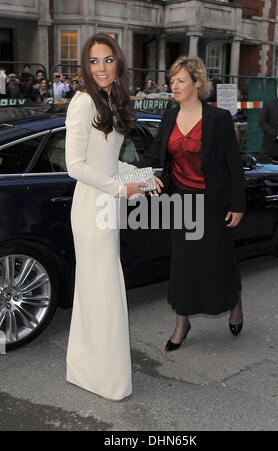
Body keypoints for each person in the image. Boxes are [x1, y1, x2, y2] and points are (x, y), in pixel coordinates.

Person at [65, 33, 160, 400]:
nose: (101, 68)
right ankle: (101, 378)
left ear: (118, 62)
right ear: (85, 67)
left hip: (105, 204)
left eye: (107, 60)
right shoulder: (83, 102)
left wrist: (140, 176)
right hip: (91, 206)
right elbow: (75, 166)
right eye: (94, 61)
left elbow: (107, 161)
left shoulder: (109, 99)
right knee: (102, 293)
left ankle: (89, 371)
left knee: (98, 293)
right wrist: (123, 188)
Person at [137, 56, 246, 351]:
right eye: (172, 81)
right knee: (183, 266)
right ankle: (181, 323)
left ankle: (235, 303)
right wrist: (130, 172)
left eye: (180, 80)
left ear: (197, 83)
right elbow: (155, 154)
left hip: (213, 203)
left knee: (217, 262)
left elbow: (235, 166)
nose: (174, 85)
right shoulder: (169, 116)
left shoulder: (219, 119)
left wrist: (237, 205)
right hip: (181, 201)